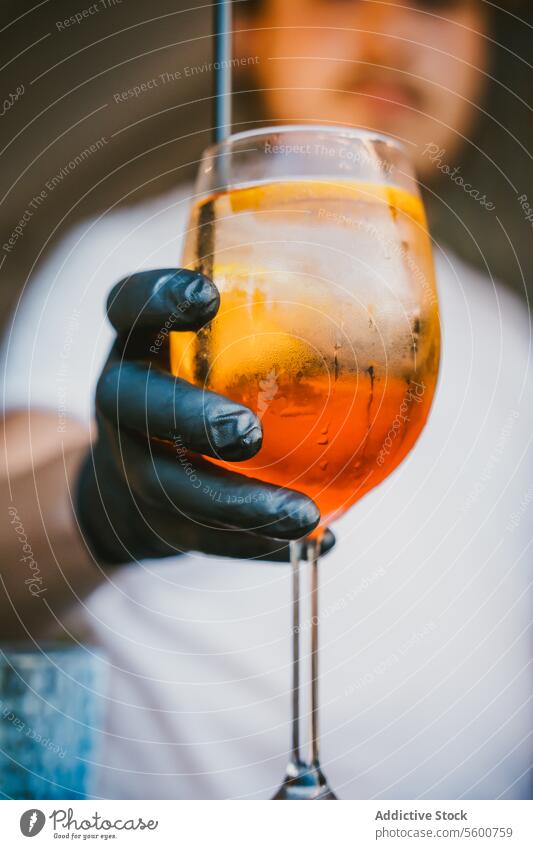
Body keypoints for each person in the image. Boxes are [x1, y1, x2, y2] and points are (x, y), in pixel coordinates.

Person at [1, 0, 532, 799]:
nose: (389, 34)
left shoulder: (512, 332)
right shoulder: (125, 263)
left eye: (433, 3)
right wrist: (99, 502)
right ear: (248, 31)